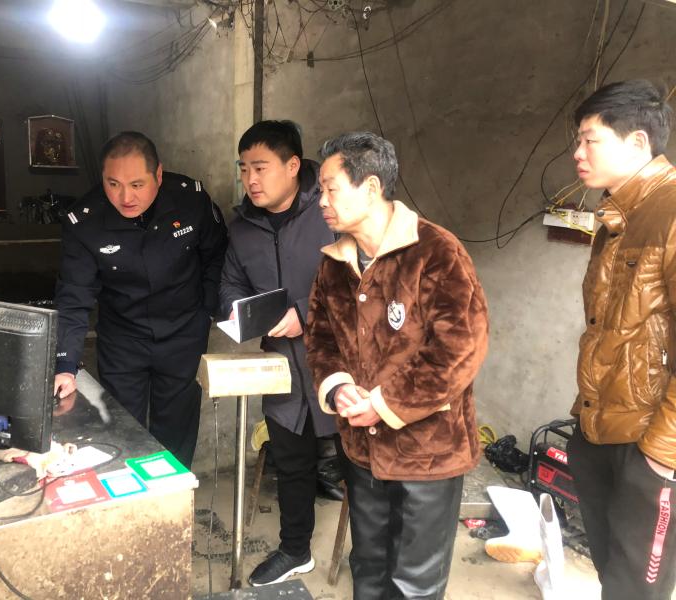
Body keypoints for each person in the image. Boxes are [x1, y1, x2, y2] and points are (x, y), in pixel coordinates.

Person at [304, 131, 489, 599]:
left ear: (370, 188)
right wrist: (338, 387)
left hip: (427, 454)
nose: (321, 201)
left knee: (414, 583)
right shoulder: (335, 263)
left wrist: (384, 404)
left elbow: (459, 349)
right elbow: (320, 336)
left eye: (330, 189)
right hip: (362, 449)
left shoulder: (435, 252)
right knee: (368, 568)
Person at [53, 131, 227, 468]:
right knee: (122, 431)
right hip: (123, 339)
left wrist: (206, 310)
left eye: (136, 184)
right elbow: (74, 295)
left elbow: (216, 255)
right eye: (113, 184)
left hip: (183, 334)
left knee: (176, 432)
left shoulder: (190, 201)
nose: (125, 197)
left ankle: (173, 494)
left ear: (158, 175)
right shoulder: (85, 221)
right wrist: (65, 365)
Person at [566, 79, 676, 600]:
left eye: (590, 140)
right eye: (577, 140)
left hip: (650, 446)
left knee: (637, 589)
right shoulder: (618, 216)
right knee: (613, 576)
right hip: (601, 431)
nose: (577, 153)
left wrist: (661, 454)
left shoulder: (670, 212)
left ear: (637, 142)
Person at [219, 120, 338, 586]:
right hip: (281, 364)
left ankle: (375, 555)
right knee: (291, 461)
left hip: (339, 362)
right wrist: (244, 313)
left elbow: (361, 281)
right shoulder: (242, 228)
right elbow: (230, 284)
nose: (250, 179)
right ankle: (295, 550)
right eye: (243, 168)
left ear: (292, 166)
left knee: (362, 463)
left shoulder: (329, 211)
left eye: (260, 167)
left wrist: (305, 313)